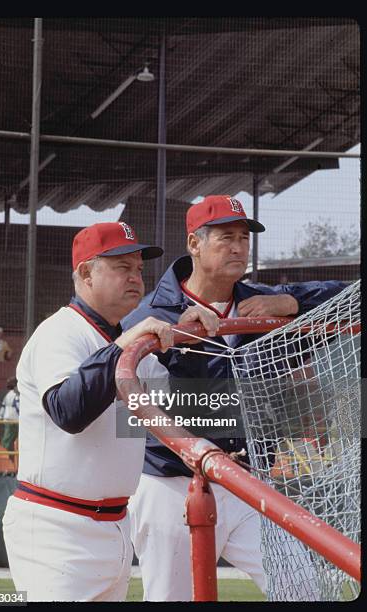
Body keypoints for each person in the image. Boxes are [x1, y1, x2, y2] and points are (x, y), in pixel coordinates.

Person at [122, 195, 348, 602]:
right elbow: (127, 406)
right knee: (171, 599)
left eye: (244, 238)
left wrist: (293, 302)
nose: (239, 248)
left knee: (303, 589)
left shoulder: (261, 303)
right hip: (170, 484)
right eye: (226, 237)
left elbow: (350, 297)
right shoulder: (150, 315)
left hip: (246, 481)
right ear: (194, 243)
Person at [2, 221, 217, 602]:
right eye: (122, 267)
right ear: (86, 272)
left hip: (116, 525)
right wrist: (123, 345)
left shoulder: (131, 341)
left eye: (138, 268)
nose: (136, 276)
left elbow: (175, 410)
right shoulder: (60, 331)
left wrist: (187, 344)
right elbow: (68, 411)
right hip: (56, 525)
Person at [0, 376, 20, 451]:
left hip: (10, 419)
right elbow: (18, 407)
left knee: (9, 440)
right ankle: (2, 455)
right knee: (7, 440)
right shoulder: (16, 395)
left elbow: (2, 408)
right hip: (13, 420)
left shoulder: (8, 394)